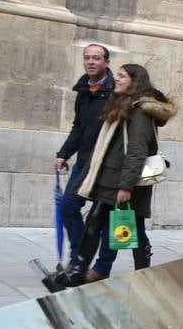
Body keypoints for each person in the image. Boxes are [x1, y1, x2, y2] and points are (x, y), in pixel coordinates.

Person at [52, 64, 176, 287]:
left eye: (122, 76)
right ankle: (78, 272)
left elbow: (137, 151)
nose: (116, 79)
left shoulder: (140, 112)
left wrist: (126, 186)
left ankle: (141, 273)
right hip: (110, 179)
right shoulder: (122, 106)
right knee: (95, 222)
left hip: (125, 182)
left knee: (133, 228)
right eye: (117, 75)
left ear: (134, 82)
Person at [53, 43, 118, 281]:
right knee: (68, 206)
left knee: (107, 219)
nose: (91, 62)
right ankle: (79, 258)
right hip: (84, 162)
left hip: (107, 166)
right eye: (87, 57)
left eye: (96, 58)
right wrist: (64, 153)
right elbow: (78, 126)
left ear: (106, 62)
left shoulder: (117, 92)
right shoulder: (84, 89)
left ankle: (101, 268)